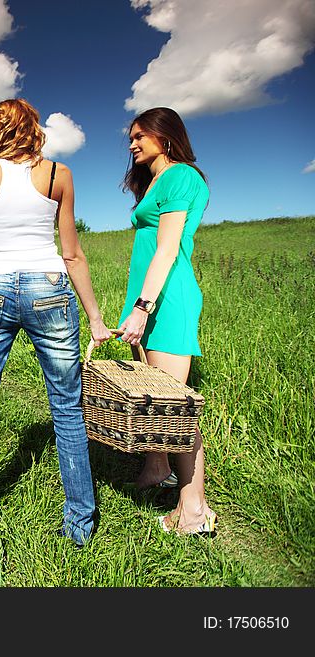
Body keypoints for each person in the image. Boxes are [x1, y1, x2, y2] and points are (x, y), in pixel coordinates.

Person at [0, 99, 112, 545]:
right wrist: (96, 319)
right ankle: (80, 526)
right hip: (50, 289)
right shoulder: (59, 174)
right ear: (33, 128)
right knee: (67, 407)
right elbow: (72, 252)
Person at [118, 106, 217, 535]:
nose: (133, 143)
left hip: (165, 299)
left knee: (176, 408)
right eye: (131, 137)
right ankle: (157, 468)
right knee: (154, 398)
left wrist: (143, 306)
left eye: (140, 135)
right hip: (148, 298)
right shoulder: (156, 181)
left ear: (167, 136)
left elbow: (168, 247)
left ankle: (194, 509)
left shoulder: (181, 176)